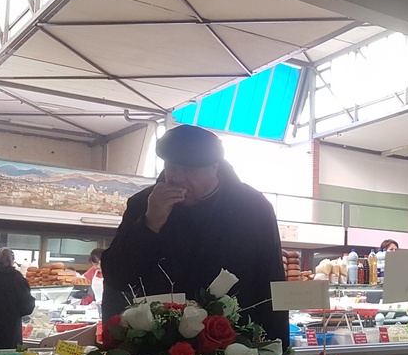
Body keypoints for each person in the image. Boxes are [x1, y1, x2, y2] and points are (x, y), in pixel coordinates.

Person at [101, 124, 288, 343]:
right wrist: (150, 223)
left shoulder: (252, 208)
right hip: (154, 348)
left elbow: (271, 282)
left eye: (189, 171)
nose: (176, 178)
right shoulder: (144, 203)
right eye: (171, 167)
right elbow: (116, 277)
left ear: (214, 167)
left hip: (232, 348)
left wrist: (277, 352)